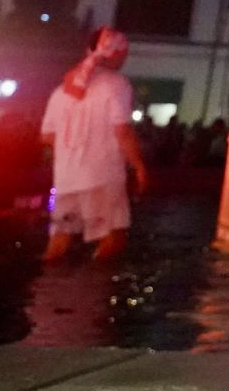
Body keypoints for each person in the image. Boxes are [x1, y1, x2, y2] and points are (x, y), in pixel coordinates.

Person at [40, 28, 149, 262]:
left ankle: (48, 293)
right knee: (113, 238)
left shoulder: (62, 90)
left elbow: (47, 137)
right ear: (116, 54)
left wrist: (74, 148)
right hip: (102, 178)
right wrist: (139, 166)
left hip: (66, 180)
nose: (125, 59)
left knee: (59, 242)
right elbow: (122, 131)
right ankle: (92, 290)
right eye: (124, 54)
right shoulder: (116, 85)